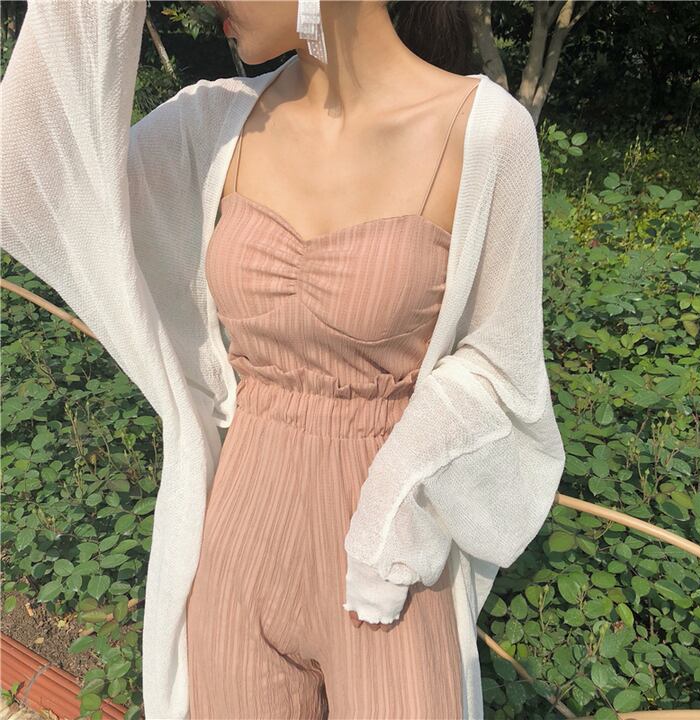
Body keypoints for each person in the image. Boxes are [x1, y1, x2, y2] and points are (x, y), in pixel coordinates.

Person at [0, 2, 566, 718]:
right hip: (238, 546)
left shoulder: (483, 132)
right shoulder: (214, 125)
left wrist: (396, 491)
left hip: (387, 563)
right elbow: (24, 171)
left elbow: (502, 368)